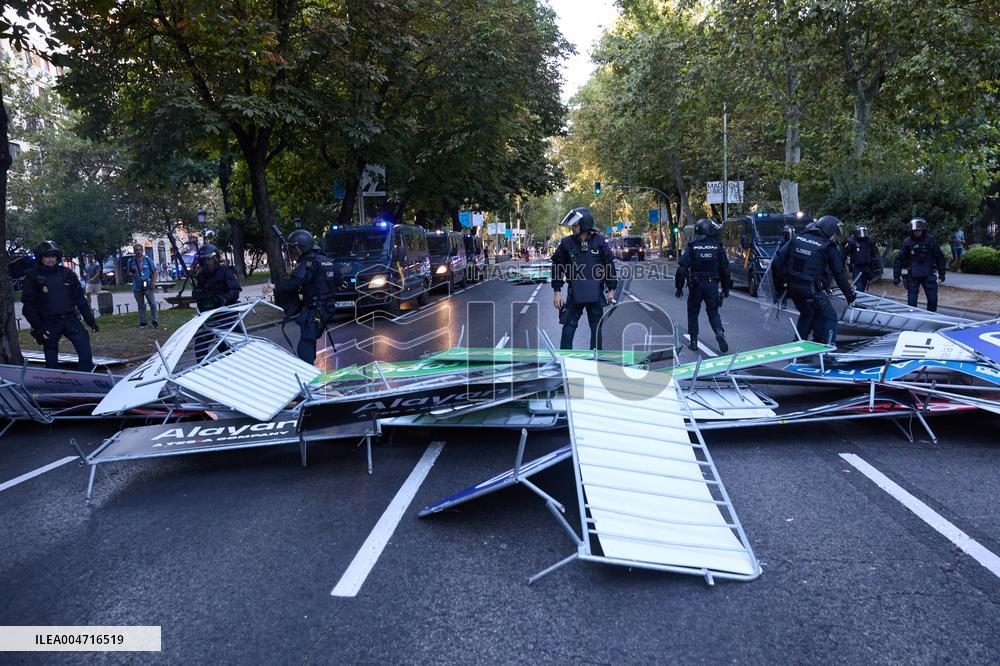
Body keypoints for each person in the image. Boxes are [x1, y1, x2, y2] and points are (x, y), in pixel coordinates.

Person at [772, 215, 856, 345]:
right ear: (828, 229)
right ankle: (828, 349)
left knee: (807, 313)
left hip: (793, 288)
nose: (834, 237)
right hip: (811, 290)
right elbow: (839, 275)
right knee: (831, 317)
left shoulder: (796, 239)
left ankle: (798, 346)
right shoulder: (828, 246)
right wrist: (849, 295)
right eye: (834, 233)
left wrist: (782, 282)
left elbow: (776, 262)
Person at [21, 241, 99, 371]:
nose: (51, 259)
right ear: (41, 257)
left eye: (53, 256)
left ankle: (86, 376)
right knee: (51, 355)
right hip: (48, 322)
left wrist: (91, 321)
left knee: (84, 346)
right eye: (47, 256)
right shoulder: (33, 276)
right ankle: (52, 380)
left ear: (57, 257)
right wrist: (39, 328)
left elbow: (80, 299)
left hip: (70, 319)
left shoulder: (67, 274)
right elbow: (28, 307)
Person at [551, 207, 618, 350]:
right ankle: (565, 358)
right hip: (574, 293)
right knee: (568, 326)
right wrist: (557, 292)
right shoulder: (566, 243)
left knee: (596, 327)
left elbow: (609, 265)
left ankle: (596, 359)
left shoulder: (599, 241)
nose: (572, 228)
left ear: (585, 225)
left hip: (596, 293)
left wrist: (611, 289)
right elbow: (557, 266)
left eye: (575, 225)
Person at [275, 229, 341, 364]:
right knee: (309, 341)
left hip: (315, 310)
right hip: (327, 307)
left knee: (305, 345)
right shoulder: (325, 260)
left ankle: (308, 378)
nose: (293, 252)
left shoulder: (309, 262)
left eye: (294, 248)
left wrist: (275, 287)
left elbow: (296, 281)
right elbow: (339, 280)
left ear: (301, 247)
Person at [675, 218, 731, 353]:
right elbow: (725, 269)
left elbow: (682, 268)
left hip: (696, 285)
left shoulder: (693, 246)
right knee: (713, 312)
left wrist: (679, 288)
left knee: (693, 312)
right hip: (712, 284)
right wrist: (725, 288)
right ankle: (719, 332)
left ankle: (693, 341)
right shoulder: (717, 246)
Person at [893, 218, 947, 312]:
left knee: (932, 299)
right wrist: (896, 277)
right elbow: (899, 260)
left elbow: (939, 257)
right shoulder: (907, 242)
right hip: (912, 274)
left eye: (919, 230)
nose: (917, 232)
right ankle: (912, 317)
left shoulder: (930, 240)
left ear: (923, 230)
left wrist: (942, 273)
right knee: (912, 301)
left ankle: (931, 317)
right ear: (912, 230)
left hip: (928, 272)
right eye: (915, 231)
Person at [126, 243, 158, 328]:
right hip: (137, 286)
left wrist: (153, 283)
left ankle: (154, 320)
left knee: (152, 303)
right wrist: (131, 274)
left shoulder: (147, 260)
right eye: (136, 250)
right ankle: (143, 321)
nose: (138, 251)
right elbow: (128, 272)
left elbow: (154, 272)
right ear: (134, 251)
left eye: (139, 250)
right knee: (141, 305)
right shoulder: (131, 261)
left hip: (147, 285)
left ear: (142, 250)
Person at [843, 225, 882, 292]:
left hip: (866, 267)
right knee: (858, 286)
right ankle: (856, 299)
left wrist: (876, 267)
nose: (862, 235)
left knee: (864, 284)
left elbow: (874, 254)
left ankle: (860, 299)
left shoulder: (869, 242)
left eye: (864, 232)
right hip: (856, 267)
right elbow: (844, 253)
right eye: (860, 232)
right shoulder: (851, 241)